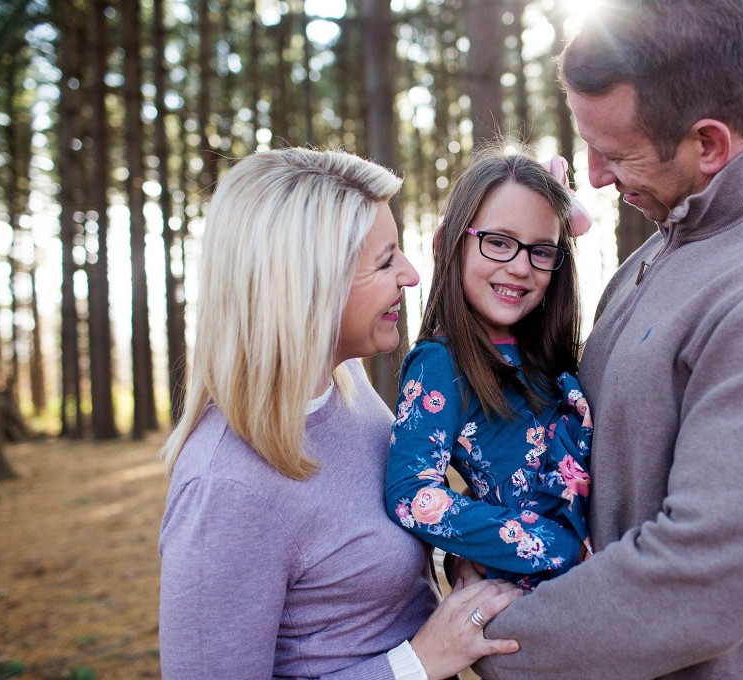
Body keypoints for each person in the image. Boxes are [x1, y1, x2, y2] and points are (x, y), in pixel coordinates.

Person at [472, 1, 743, 678]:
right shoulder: (664, 255)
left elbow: (699, 580)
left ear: (708, 144)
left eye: (615, 154)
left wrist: (492, 636)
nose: (592, 177)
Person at [157, 147, 521, 679]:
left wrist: (459, 556)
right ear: (309, 287)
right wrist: (417, 661)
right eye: (385, 260)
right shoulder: (226, 490)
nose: (412, 274)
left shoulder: (344, 383)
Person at [384, 150, 595, 592]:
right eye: (498, 242)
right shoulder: (441, 364)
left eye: (541, 250)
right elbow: (410, 495)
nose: (520, 267)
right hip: (545, 597)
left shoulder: (549, 356)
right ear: (451, 243)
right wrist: (551, 545)